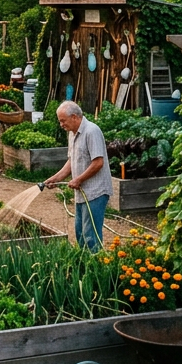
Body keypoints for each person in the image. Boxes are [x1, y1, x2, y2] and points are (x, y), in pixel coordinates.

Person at [44, 101, 113, 251]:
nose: (61, 124)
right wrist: (56, 178)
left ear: (74, 117)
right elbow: (72, 160)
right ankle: (83, 267)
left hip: (95, 192)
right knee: (80, 233)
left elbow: (98, 162)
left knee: (90, 235)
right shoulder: (72, 133)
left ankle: (96, 267)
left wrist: (78, 179)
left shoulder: (91, 131)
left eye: (63, 120)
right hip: (82, 192)